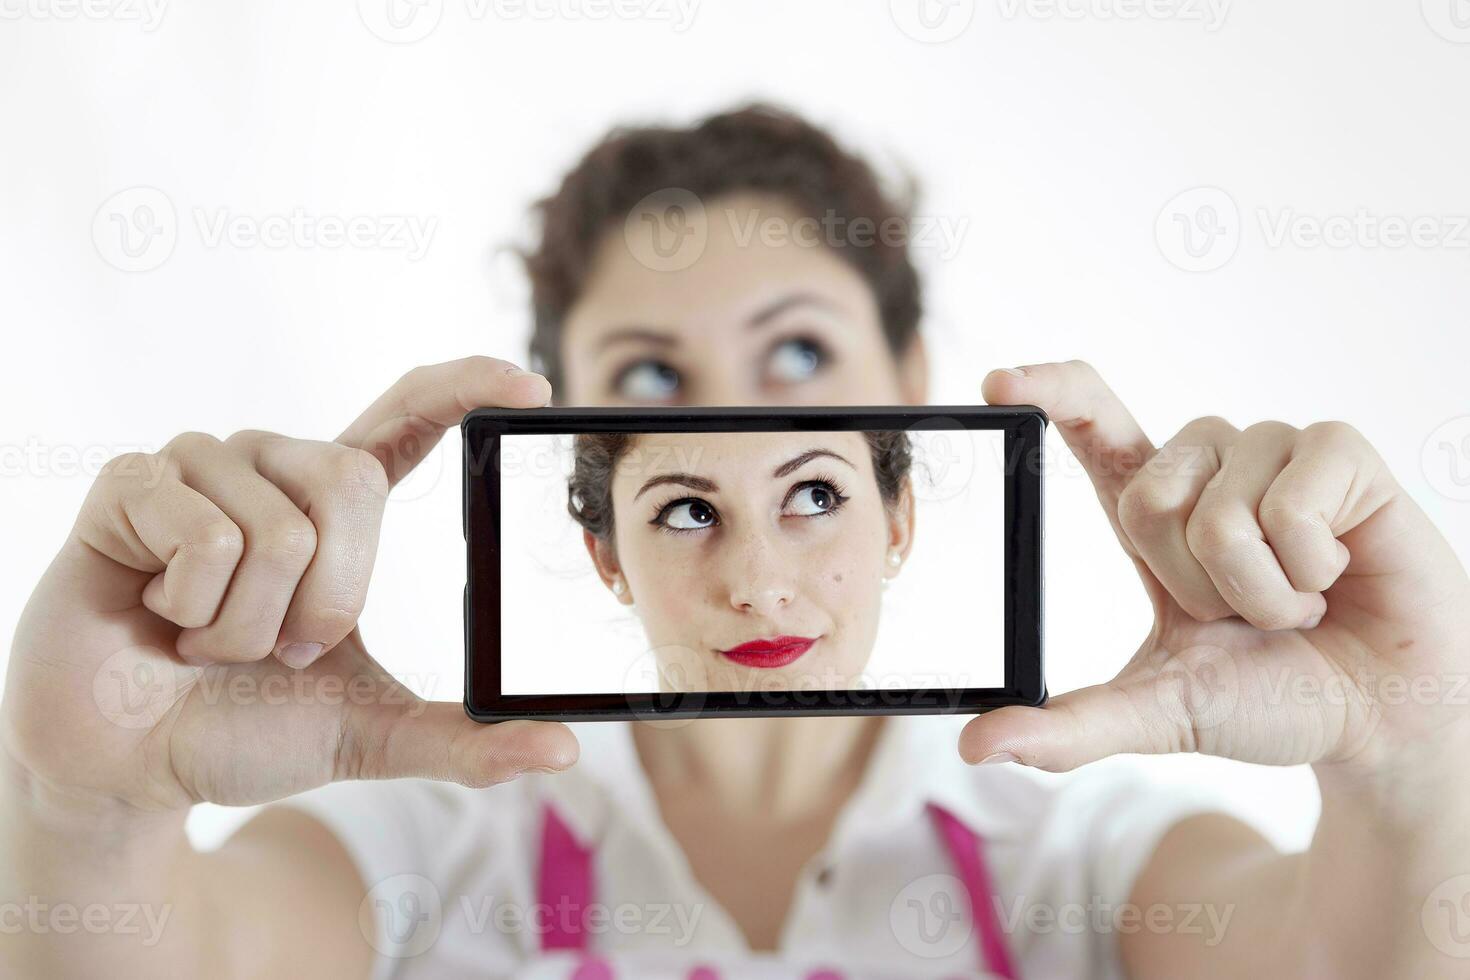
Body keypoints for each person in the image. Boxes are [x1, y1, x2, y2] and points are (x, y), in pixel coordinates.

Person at [4, 104, 1468, 979]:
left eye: (798, 376)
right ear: (594, 521)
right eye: (648, 387)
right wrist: (86, 812)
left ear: (905, 467)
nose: (756, 565)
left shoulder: (1076, 854)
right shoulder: (426, 850)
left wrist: (1413, 762)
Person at [567, 429, 915, 693]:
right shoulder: (520, 776)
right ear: (608, 558)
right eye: (690, 513)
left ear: (899, 523)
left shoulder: (970, 776)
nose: (761, 592)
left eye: (815, 497)